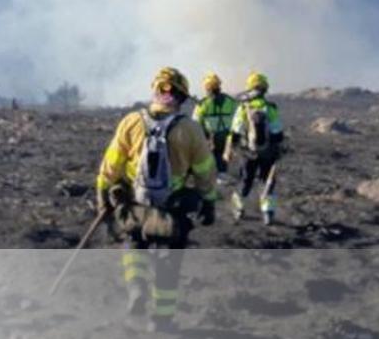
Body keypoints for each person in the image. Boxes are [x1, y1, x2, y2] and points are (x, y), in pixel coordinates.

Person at [95, 67, 218, 332]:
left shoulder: (131, 122)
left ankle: (136, 287)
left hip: (135, 207)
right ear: (182, 97)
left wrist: (102, 194)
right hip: (171, 212)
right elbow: (205, 171)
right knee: (168, 264)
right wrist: (208, 202)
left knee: (132, 242)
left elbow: (111, 165)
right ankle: (161, 321)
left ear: (155, 91)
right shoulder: (191, 129)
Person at [225, 72, 284, 225]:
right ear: (265, 89)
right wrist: (278, 149)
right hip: (267, 152)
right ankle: (267, 211)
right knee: (266, 181)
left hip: (247, 152)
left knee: (246, 180)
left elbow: (235, 131)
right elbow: (277, 131)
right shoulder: (270, 108)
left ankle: (238, 208)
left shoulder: (243, 108)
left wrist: (229, 149)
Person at [192, 72, 236, 181]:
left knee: (208, 159)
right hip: (227, 135)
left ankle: (211, 177)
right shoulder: (230, 101)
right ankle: (222, 174)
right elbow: (237, 116)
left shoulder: (203, 104)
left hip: (211, 137)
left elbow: (196, 122)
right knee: (222, 157)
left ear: (207, 88)